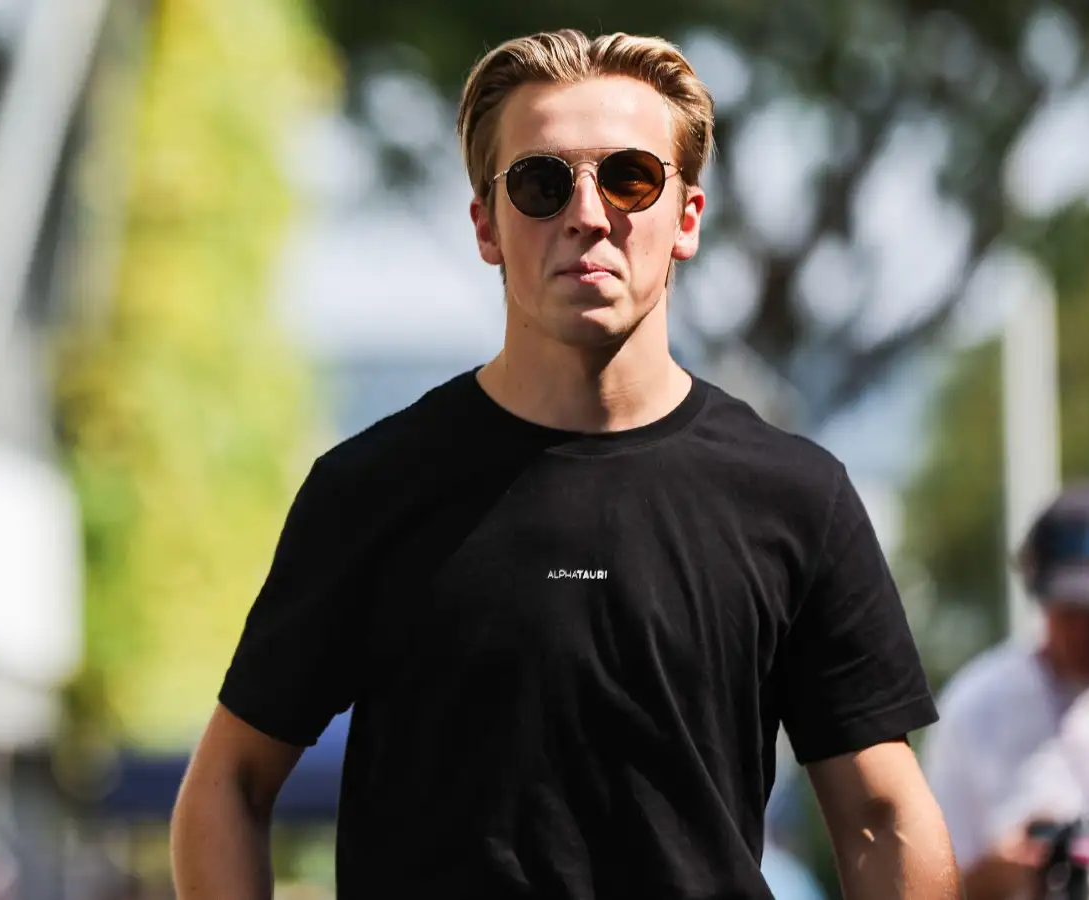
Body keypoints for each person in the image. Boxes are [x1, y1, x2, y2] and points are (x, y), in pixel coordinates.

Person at [171, 28, 958, 899]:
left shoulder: (797, 499)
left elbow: (882, 817)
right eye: (543, 183)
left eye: (629, 176)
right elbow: (228, 787)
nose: (588, 212)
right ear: (487, 226)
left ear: (686, 218)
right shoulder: (368, 489)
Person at [923, 482, 1089, 899]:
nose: (1087, 632)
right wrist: (997, 875)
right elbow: (924, 884)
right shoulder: (975, 706)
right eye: (1071, 609)